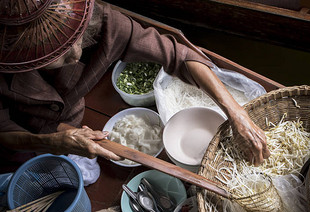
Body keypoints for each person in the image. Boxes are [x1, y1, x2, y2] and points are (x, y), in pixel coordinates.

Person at [0, 0, 270, 172]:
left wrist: (236, 113)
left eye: (75, 39)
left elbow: (177, 55)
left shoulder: (101, 22)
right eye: (54, 54)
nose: (74, 55)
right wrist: (51, 142)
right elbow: (4, 130)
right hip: (23, 138)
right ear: (22, 57)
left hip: (73, 118)